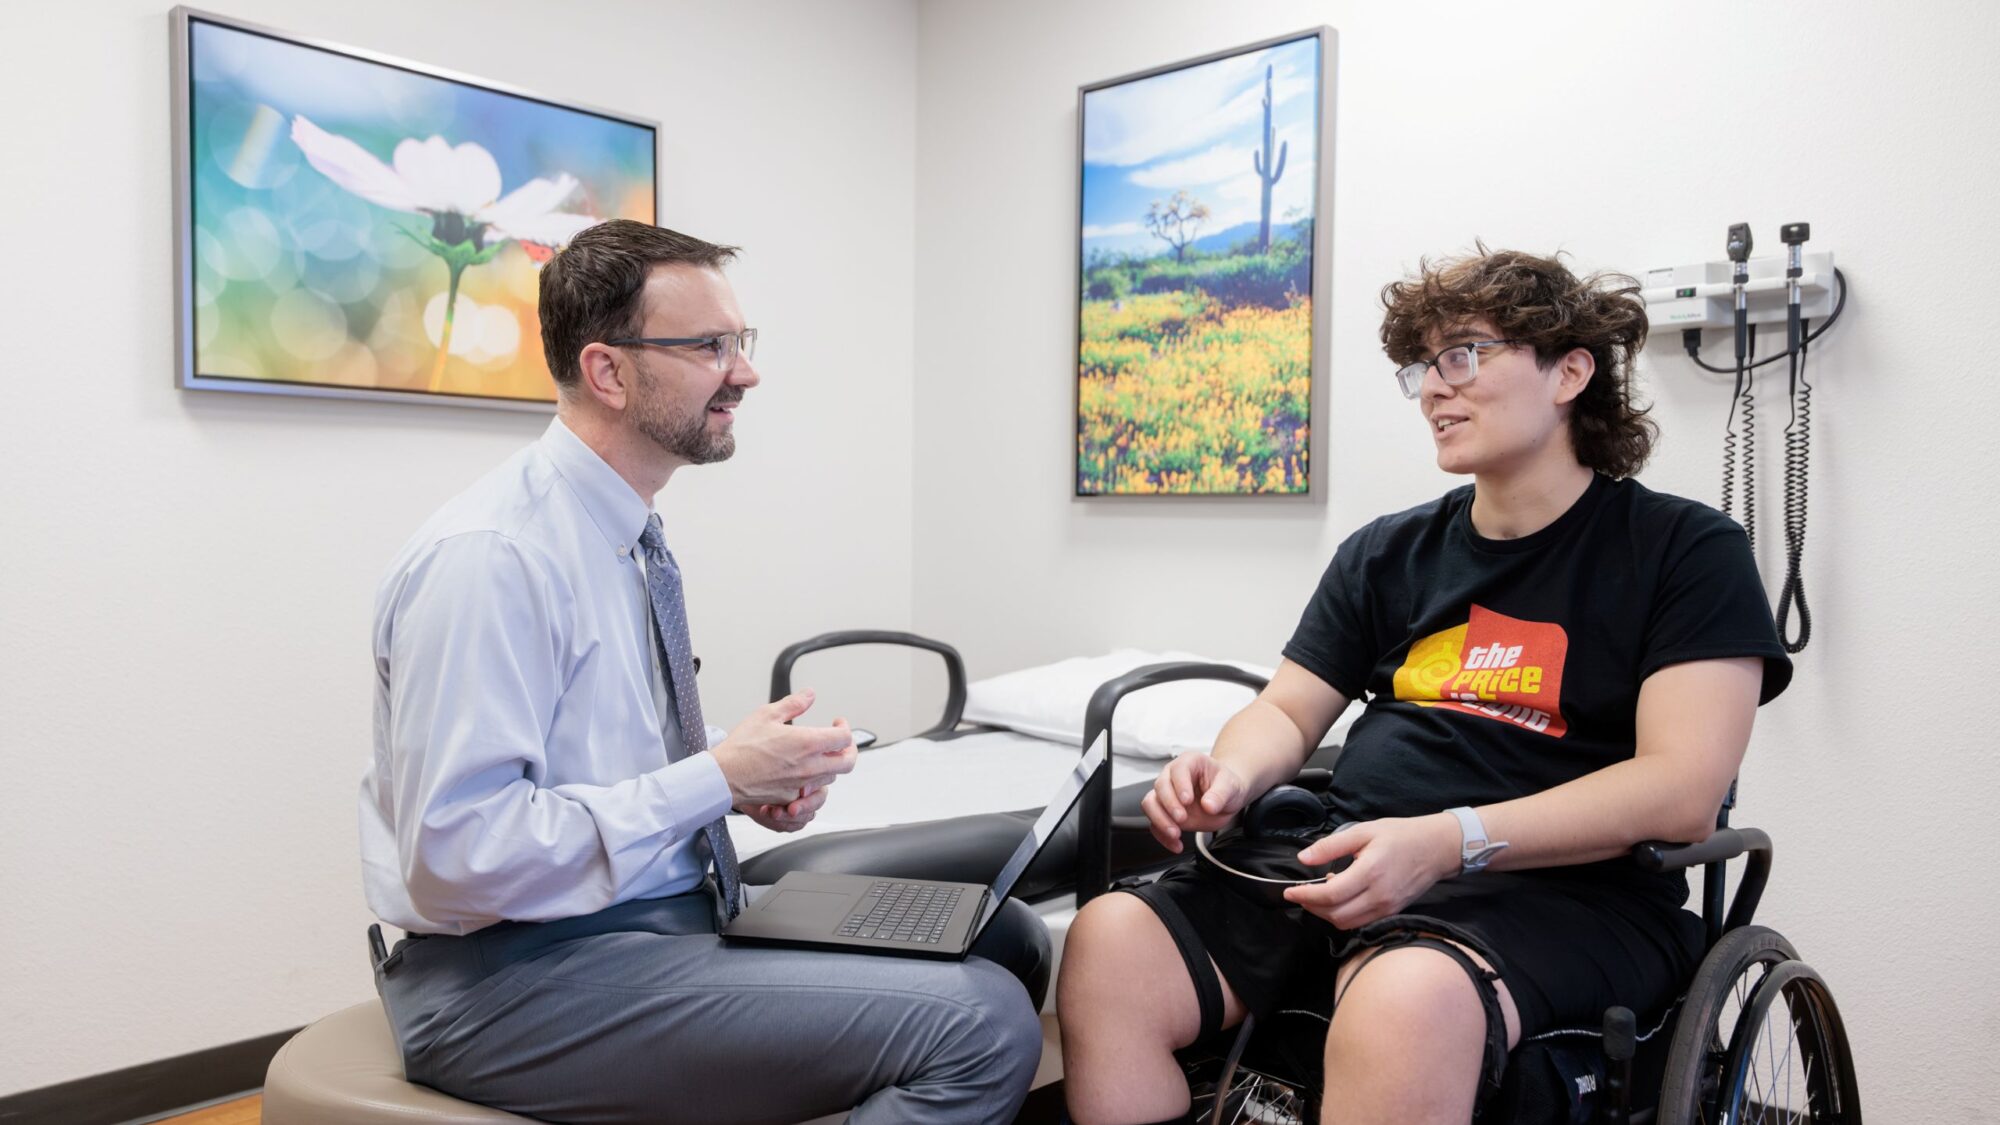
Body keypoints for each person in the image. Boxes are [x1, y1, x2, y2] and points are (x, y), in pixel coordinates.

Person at [1056, 248, 1793, 1125]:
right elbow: (1287, 708)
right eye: (1423, 365)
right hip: (1355, 853)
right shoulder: (1386, 553)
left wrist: (1451, 841)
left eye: (1463, 355)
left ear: (1569, 373)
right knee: (1110, 942)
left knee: (1405, 998)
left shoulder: (1685, 552)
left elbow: (1682, 789)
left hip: (1567, 889)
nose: (1434, 387)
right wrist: (1231, 772)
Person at [360, 219, 1045, 1124]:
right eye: (711, 347)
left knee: (1006, 933)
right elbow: (461, 858)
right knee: (983, 1025)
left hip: (648, 914)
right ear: (609, 372)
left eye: (741, 342)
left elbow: (597, 754)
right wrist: (713, 780)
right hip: (511, 977)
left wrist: (749, 770)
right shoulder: (494, 560)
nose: (745, 373)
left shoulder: (622, 531)